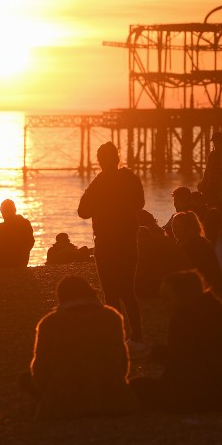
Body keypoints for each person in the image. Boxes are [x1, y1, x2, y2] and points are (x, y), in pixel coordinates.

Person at [20, 276, 138, 420]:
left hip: (65, 405)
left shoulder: (49, 323)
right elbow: (123, 364)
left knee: (24, 378)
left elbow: (40, 370)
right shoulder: (111, 317)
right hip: (115, 401)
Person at [130, 271, 222, 413]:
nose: (163, 303)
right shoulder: (214, 307)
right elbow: (195, 353)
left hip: (208, 395)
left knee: (135, 387)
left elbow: (182, 362)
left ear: (182, 296)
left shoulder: (184, 317)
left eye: (167, 297)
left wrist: (152, 353)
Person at [77, 141, 148, 355]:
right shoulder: (130, 178)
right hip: (127, 241)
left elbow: (82, 211)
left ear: (100, 160)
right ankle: (137, 336)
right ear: (117, 158)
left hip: (106, 242)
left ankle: (117, 337)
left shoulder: (99, 183)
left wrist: (103, 204)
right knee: (127, 291)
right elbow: (140, 204)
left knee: (111, 293)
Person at [134, 210, 190, 299]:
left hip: (153, 291)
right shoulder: (168, 242)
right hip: (176, 289)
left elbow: (138, 273)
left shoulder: (142, 245)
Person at [170, 210, 222, 292]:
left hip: (203, 286)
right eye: (172, 227)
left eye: (176, 227)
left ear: (187, 227)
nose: (173, 230)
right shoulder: (185, 242)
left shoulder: (196, 245)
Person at [0, 199, 35, 268]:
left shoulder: (2, 228)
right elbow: (31, 242)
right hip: (22, 261)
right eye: (3, 212)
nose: (3, 215)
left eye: (4, 212)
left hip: (9, 263)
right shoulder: (25, 223)